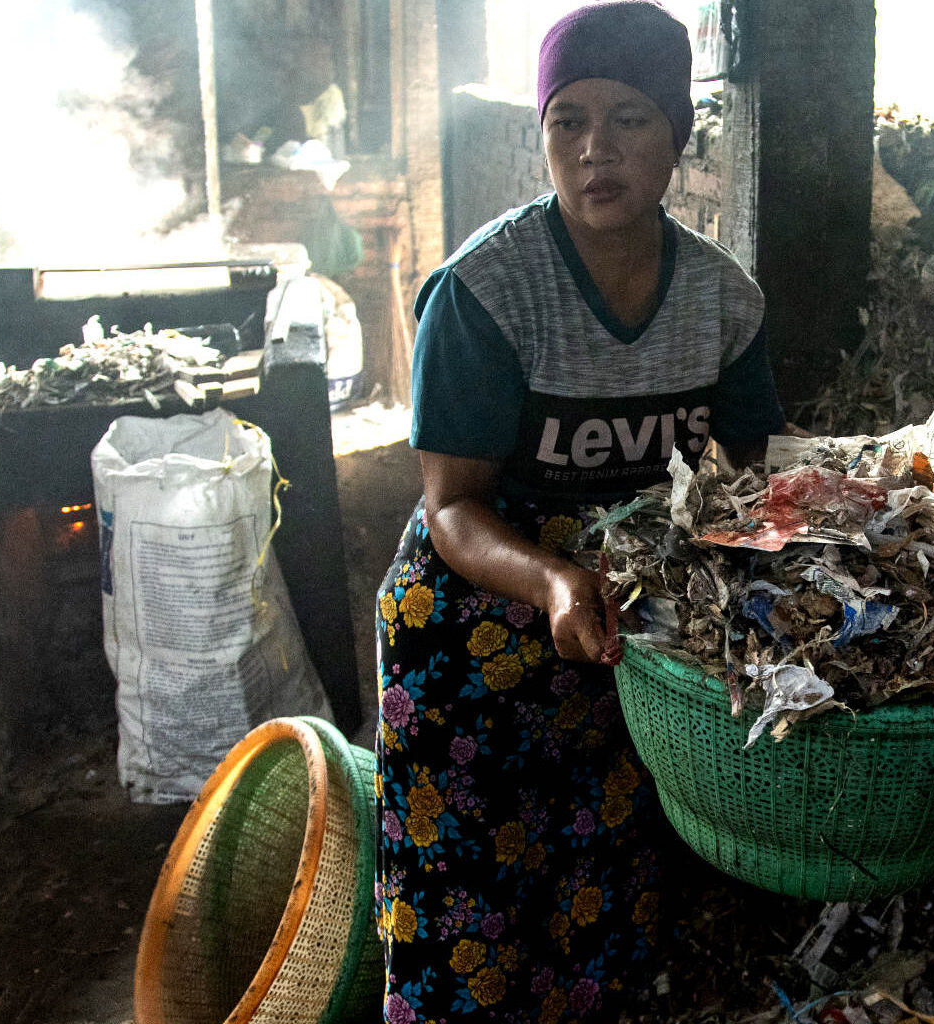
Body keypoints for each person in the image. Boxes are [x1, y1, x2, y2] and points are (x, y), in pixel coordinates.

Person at [372, 3, 785, 1021]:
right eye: (569, 121)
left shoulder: (723, 302)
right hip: (476, 623)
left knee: (602, 900)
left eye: (630, 119)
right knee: (466, 916)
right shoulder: (486, 292)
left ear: (678, 135)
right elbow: (451, 507)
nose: (596, 149)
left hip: (627, 640)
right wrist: (554, 579)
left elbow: (745, 478)